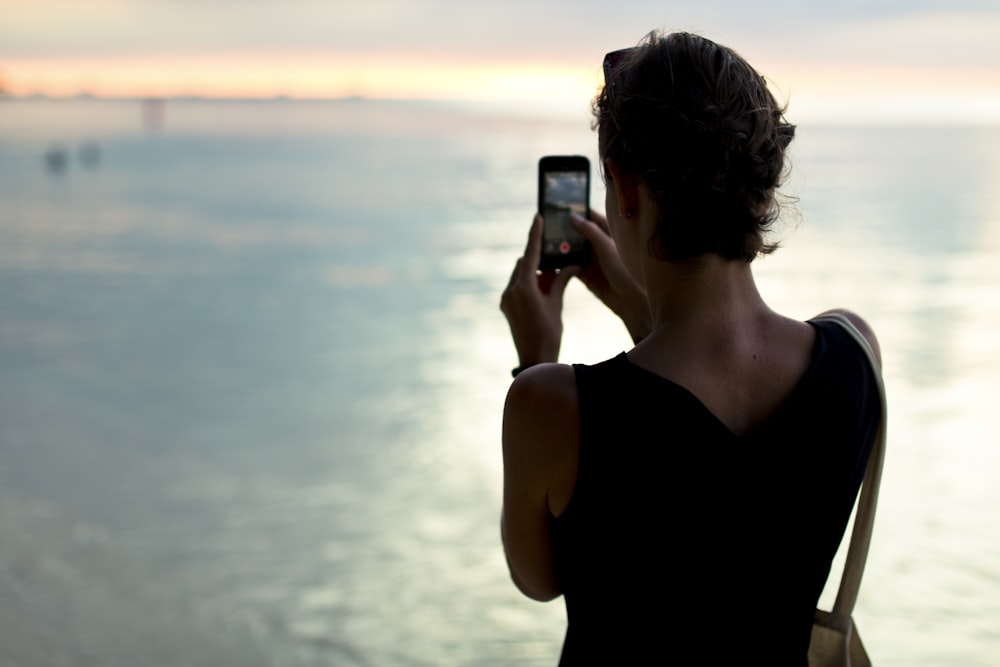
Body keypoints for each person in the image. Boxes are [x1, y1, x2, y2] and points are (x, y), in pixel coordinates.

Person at [499, 31, 883, 664]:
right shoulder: (853, 354)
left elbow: (538, 579)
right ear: (759, 188)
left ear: (623, 189)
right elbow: (704, 445)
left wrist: (538, 353)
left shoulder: (550, 404)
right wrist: (636, 303)